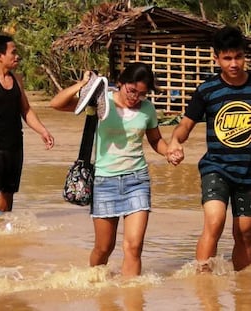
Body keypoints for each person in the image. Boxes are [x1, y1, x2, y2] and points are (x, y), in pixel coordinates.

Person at [50, 63, 168, 277]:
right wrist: (84, 84)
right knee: (104, 248)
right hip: (105, 182)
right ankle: (96, 285)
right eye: (132, 91)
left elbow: (156, 140)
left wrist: (169, 152)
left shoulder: (148, 109)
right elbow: (57, 104)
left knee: (134, 247)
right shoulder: (100, 102)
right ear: (121, 83)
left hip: (137, 181)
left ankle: (132, 298)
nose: (136, 98)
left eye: (142, 94)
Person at [167, 26, 251, 273]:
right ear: (216, 59)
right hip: (216, 168)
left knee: (245, 232)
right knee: (214, 222)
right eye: (227, 58)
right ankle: (203, 284)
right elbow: (185, 125)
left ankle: (241, 290)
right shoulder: (207, 90)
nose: (233, 63)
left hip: (248, 171)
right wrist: (175, 141)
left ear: (244, 56)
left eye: (238, 57)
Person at [0, 35, 54, 217]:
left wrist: (42, 131)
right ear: (0, 56)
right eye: (13, 53)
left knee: (8, 193)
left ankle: (2, 234)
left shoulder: (17, 79)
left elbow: (26, 110)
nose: (17, 57)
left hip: (15, 145)